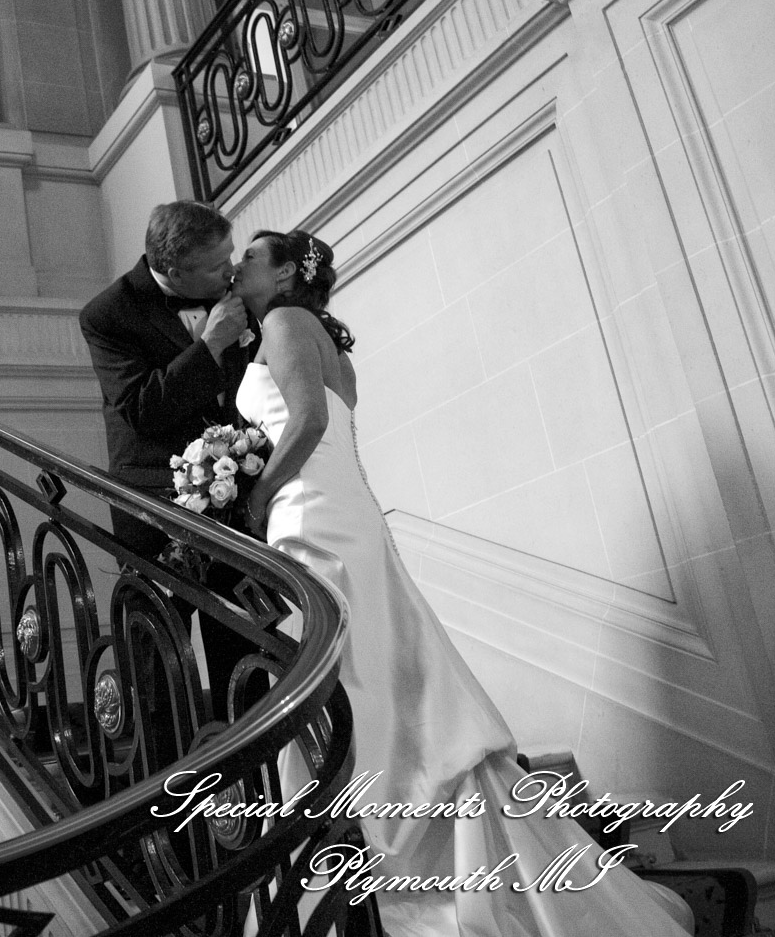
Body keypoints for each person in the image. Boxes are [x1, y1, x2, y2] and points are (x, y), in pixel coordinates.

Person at [229, 228, 692, 936]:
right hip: (338, 506)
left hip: (311, 513)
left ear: (289, 272)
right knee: (371, 672)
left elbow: (310, 420)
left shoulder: (286, 322)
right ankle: (385, 835)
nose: (240, 266)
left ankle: (383, 852)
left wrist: (256, 494)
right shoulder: (321, 335)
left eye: (254, 257)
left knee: (347, 677)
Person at [79, 201, 258, 747]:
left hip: (232, 495)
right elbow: (142, 407)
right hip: (151, 504)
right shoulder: (107, 314)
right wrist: (211, 346)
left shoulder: (234, 296)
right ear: (174, 270)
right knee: (157, 654)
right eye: (215, 265)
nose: (230, 272)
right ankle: (169, 803)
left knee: (244, 644)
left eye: (230, 256)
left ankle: (256, 781)